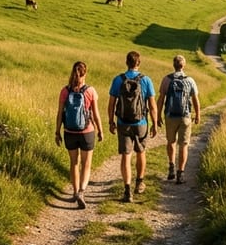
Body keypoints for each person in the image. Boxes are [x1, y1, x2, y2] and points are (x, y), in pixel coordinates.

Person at [107, 51, 157, 203]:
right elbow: (152, 105)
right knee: (141, 152)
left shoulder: (118, 80)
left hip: (123, 123)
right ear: (138, 63)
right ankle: (140, 182)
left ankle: (127, 190)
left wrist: (111, 121)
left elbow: (111, 104)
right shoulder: (146, 80)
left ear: (126, 62)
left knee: (126, 156)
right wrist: (154, 123)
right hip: (141, 122)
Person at [55, 61, 103, 209]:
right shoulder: (90, 91)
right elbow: (95, 114)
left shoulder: (65, 91)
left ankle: (75, 192)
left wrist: (57, 131)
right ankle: (82, 191)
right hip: (86, 132)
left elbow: (59, 114)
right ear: (85, 73)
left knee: (74, 163)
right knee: (86, 164)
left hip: (69, 131)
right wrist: (100, 130)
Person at [156, 54, 201, 184]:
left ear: (173, 65)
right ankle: (180, 174)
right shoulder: (190, 80)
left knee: (171, 142)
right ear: (183, 65)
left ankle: (171, 166)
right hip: (185, 116)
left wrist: (158, 115)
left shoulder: (166, 80)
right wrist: (197, 115)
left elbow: (161, 100)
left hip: (170, 115)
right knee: (184, 145)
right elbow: (195, 100)